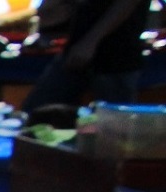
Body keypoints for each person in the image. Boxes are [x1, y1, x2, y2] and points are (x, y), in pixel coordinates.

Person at [21, 0, 152, 111]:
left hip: (116, 55)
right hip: (76, 48)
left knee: (114, 127)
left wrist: (91, 41)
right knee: (36, 113)